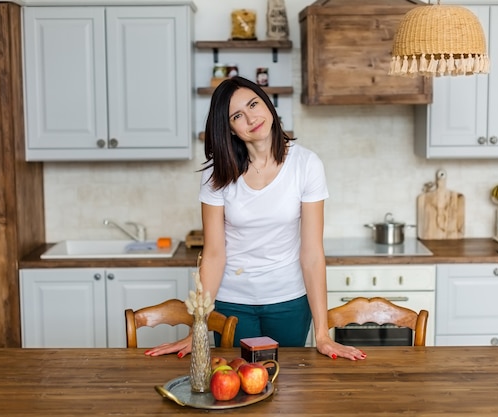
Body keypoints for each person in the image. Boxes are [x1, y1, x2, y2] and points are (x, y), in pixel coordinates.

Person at [145, 76, 366, 361]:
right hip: (230, 304)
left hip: (289, 301)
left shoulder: (306, 164)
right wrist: (196, 330)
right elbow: (213, 255)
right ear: (231, 130)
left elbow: (311, 254)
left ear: (268, 105)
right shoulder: (216, 174)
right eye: (237, 115)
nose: (251, 118)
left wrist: (322, 335)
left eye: (254, 104)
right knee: (237, 386)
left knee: (289, 390)